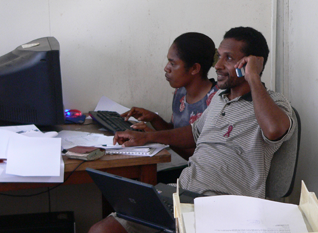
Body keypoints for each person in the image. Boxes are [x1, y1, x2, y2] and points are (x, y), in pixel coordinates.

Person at [88, 26, 296, 233]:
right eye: (219, 57)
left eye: (229, 58)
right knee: (103, 230)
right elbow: (193, 133)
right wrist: (147, 137)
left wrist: (253, 78)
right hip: (183, 196)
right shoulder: (220, 99)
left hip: (225, 209)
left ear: (251, 63)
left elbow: (274, 130)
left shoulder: (274, 103)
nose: (218, 65)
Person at [121, 32, 219, 182]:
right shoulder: (181, 92)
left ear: (194, 68)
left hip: (202, 176)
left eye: (173, 64)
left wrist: (153, 137)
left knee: (140, 180)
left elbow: (196, 157)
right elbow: (174, 133)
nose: (166, 68)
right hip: (182, 165)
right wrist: (154, 119)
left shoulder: (217, 101)